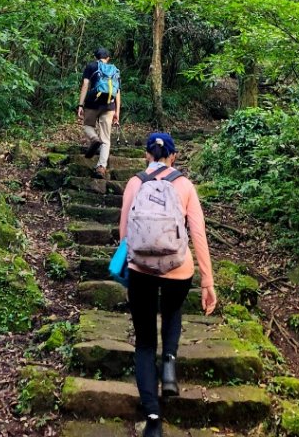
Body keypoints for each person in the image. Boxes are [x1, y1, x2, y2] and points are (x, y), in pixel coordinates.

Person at [119, 132, 217, 437]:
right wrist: (207, 281)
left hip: (141, 271)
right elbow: (198, 235)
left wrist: (125, 267)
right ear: (173, 157)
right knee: (173, 313)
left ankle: (152, 420)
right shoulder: (185, 186)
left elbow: (124, 235)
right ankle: (171, 364)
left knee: (145, 343)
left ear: (147, 155)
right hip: (179, 269)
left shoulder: (135, 183)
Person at [77, 46, 121, 179]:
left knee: (87, 126)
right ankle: (101, 167)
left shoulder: (91, 66)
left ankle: (94, 139)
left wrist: (80, 105)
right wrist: (117, 112)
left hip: (92, 103)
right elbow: (117, 92)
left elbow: (85, 85)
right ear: (108, 58)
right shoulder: (115, 70)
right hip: (109, 105)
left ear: (96, 57)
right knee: (106, 139)